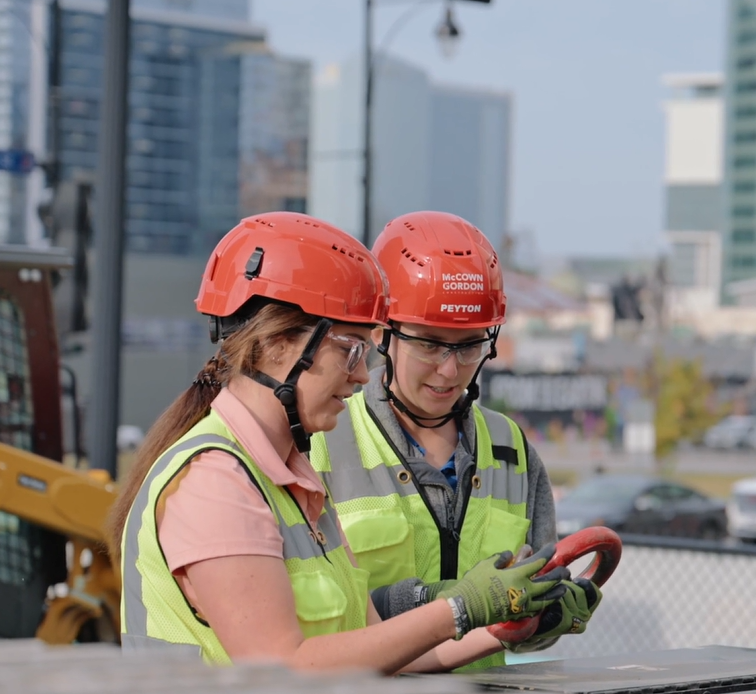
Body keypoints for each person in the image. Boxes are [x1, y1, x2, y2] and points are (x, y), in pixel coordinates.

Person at [105, 212, 570, 672]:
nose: (362, 375)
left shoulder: (294, 484)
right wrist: (458, 609)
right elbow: (284, 669)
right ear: (276, 343)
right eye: (349, 349)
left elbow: (373, 652)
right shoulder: (213, 483)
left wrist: (500, 618)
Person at [310, 211, 600, 669]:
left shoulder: (510, 449)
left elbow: (526, 610)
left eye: (468, 346)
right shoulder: (321, 440)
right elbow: (311, 624)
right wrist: (442, 602)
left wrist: (542, 619)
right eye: (429, 343)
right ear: (383, 334)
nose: (450, 370)